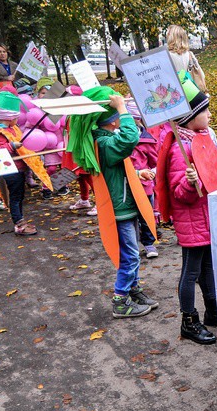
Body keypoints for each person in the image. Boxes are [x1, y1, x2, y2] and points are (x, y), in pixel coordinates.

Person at [66, 86, 158, 318]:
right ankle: (120, 300)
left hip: (126, 204)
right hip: (120, 209)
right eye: (117, 114)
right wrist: (122, 107)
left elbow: (113, 172)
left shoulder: (106, 140)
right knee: (130, 256)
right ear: (112, 119)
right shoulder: (106, 143)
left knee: (133, 252)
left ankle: (134, 290)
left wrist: (137, 175)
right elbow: (131, 138)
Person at [155, 74, 217, 343]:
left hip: (206, 219)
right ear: (189, 117)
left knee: (208, 268)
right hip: (192, 221)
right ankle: (188, 319)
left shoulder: (200, 140)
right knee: (190, 272)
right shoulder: (179, 150)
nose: (208, 114)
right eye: (204, 110)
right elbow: (179, 194)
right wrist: (189, 181)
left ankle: (213, 311)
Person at [0, 91, 47, 236]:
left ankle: (20, 220)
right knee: (15, 197)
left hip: (19, 169)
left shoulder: (12, 128)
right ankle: (18, 224)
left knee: (19, 196)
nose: (17, 121)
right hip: (11, 170)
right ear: (9, 117)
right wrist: (12, 146)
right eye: (16, 118)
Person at [127, 101, 159, 259]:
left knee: (146, 215)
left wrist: (152, 172)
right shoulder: (121, 139)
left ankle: (149, 243)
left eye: (135, 119)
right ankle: (132, 245)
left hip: (145, 185)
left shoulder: (147, 141)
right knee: (130, 217)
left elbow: (155, 162)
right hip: (127, 186)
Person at [166, 25, 206, 93]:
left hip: (176, 94)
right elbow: (202, 75)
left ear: (170, 38)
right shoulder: (190, 54)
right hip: (192, 93)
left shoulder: (167, 56)